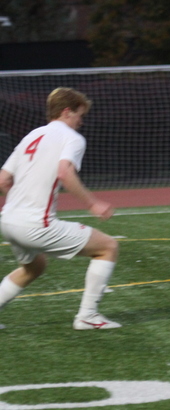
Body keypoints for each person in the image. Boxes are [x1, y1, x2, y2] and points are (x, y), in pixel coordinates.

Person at [0, 87, 121, 330]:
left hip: (8, 221)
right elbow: (65, 172)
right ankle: (87, 316)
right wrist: (92, 203)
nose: (80, 121)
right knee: (108, 246)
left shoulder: (32, 135)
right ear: (67, 112)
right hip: (35, 224)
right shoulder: (71, 137)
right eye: (79, 115)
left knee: (34, 267)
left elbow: (3, 179)